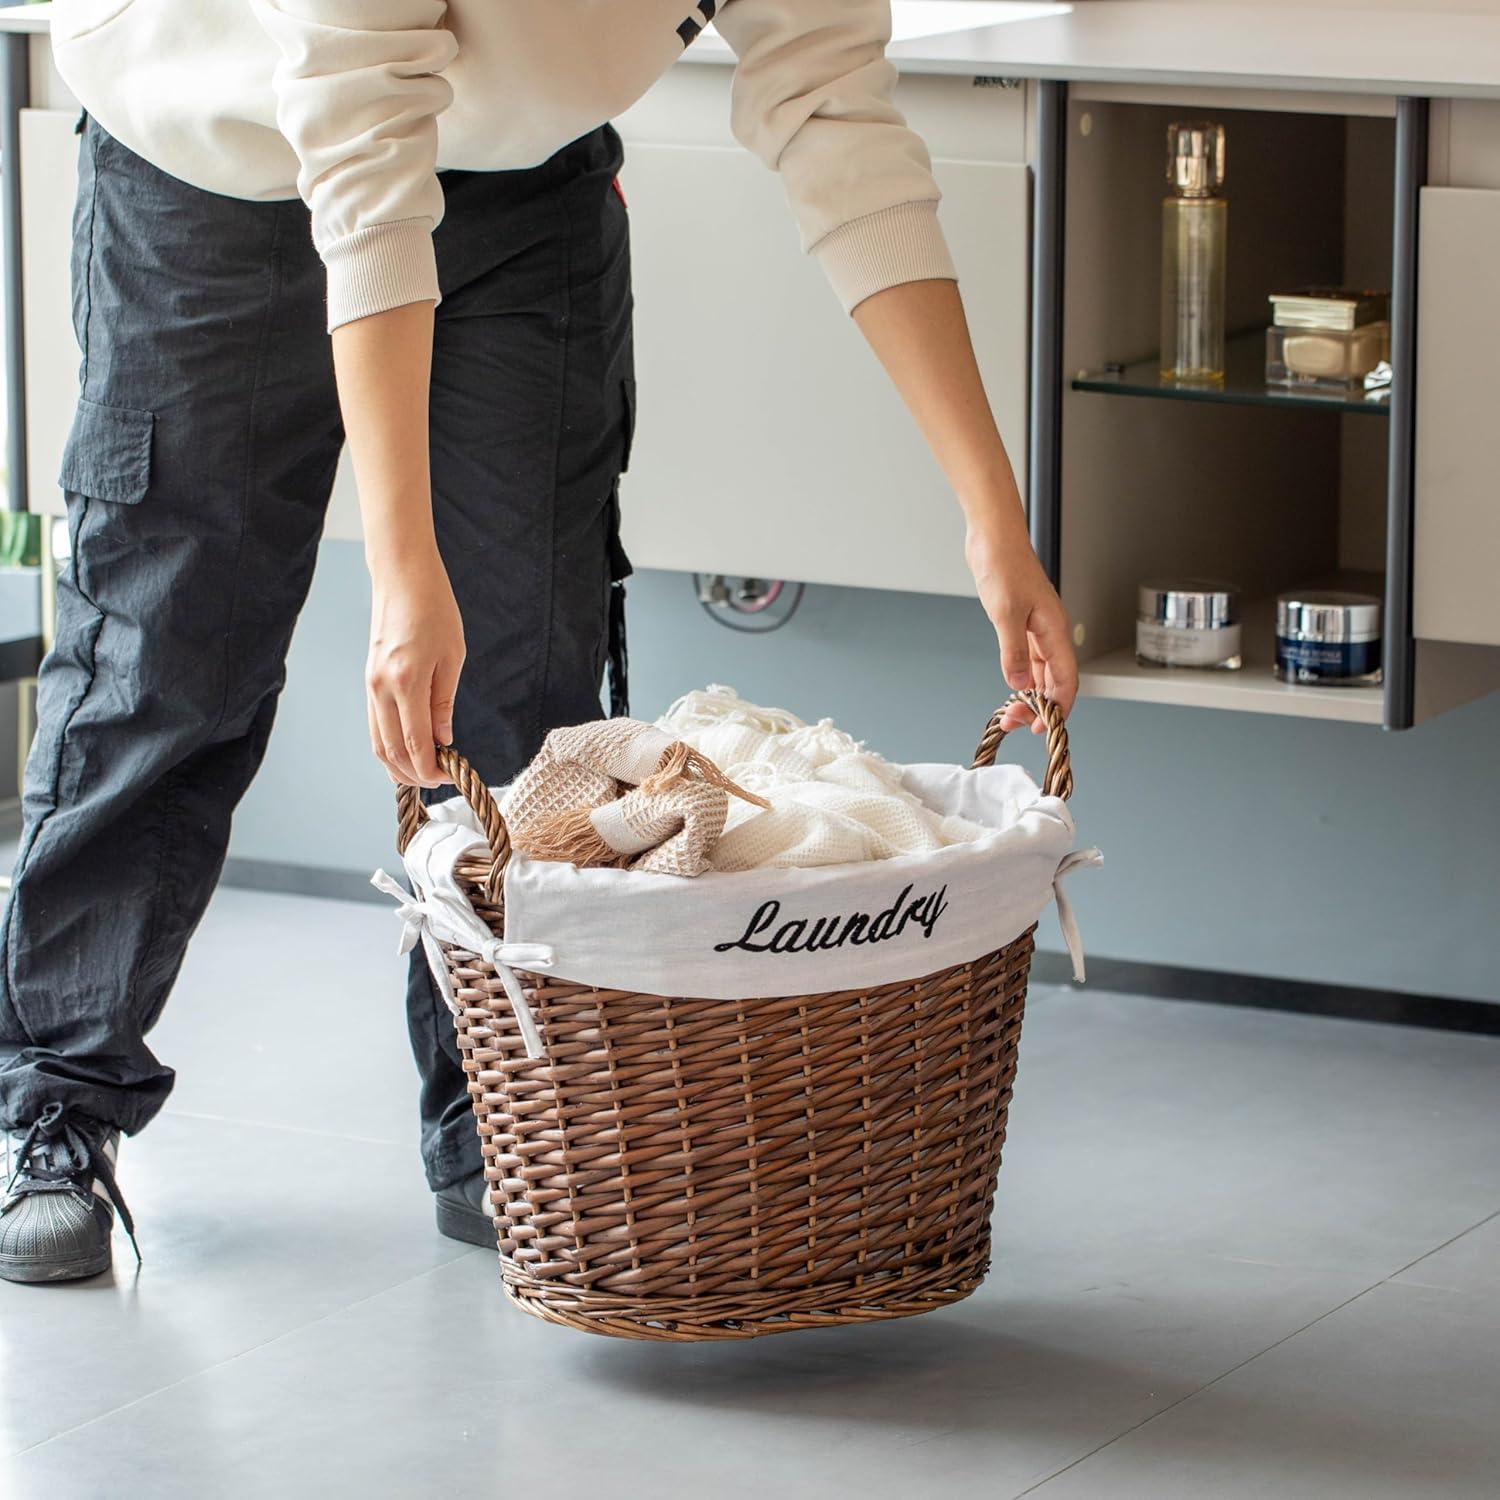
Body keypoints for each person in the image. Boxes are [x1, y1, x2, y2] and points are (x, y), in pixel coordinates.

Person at [0, 0, 1078, 1284]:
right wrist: (405, 573)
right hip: (219, 157)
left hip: (521, 186)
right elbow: (363, 144)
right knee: (169, 658)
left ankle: (500, 1113)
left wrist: (991, 518)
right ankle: (57, 1098)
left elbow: (837, 119)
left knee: (530, 700)